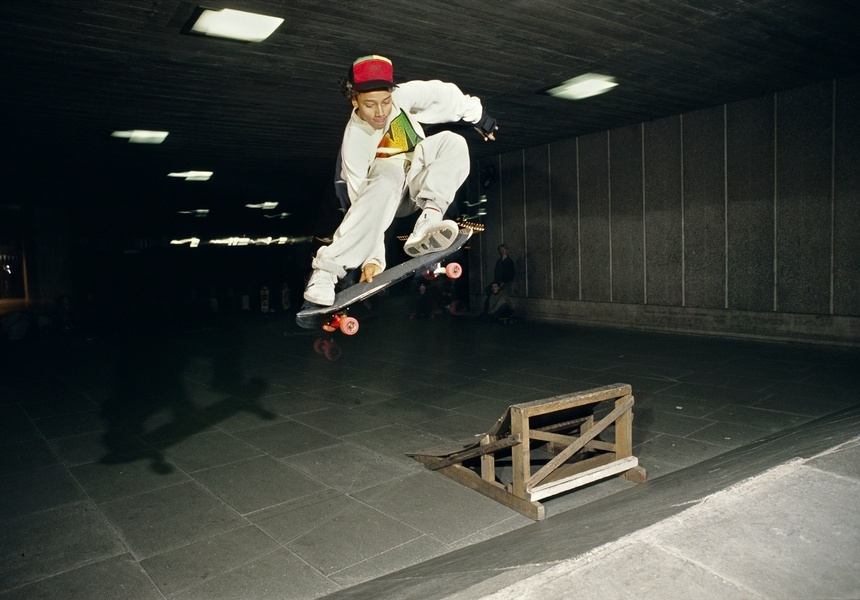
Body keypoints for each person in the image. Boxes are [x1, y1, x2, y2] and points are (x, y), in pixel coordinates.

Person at [303, 55, 498, 306]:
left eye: (385, 101)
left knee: (453, 142)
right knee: (388, 172)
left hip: (418, 183)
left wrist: (477, 115)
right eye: (370, 104)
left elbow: (442, 95)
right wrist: (373, 259)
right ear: (354, 100)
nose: (381, 112)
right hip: (387, 196)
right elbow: (361, 206)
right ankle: (325, 272)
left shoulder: (402, 97)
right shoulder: (354, 142)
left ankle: (428, 222)